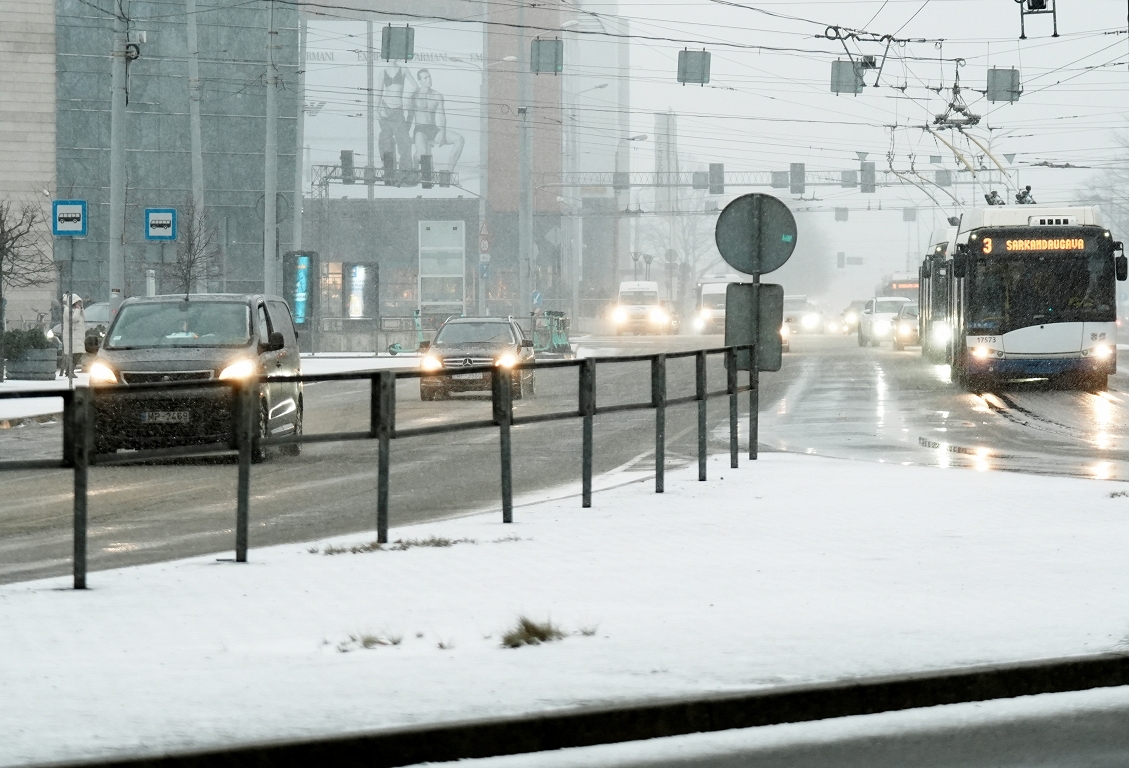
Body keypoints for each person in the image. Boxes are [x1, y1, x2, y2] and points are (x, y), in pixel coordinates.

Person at [411, 69, 465, 177]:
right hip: (420, 130)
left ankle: (448, 174)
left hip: (433, 128)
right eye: (425, 78)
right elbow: (408, 114)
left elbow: (442, 116)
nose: (429, 79)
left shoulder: (437, 95)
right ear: (420, 81)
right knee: (422, 154)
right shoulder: (414, 95)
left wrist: (443, 133)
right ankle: (416, 157)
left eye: (429, 76)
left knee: (459, 139)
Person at [376, 62, 417, 178]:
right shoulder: (383, 72)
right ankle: (389, 173)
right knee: (385, 141)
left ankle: (405, 172)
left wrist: (407, 96)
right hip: (385, 109)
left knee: (404, 141)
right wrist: (376, 109)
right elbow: (379, 91)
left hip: (398, 110)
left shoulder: (403, 69)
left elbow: (415, 85)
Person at [61, 293, 86, 375]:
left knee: (78, 353)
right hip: (71, 336)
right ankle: (70, 371)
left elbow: (83, 318)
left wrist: (80, 310)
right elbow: (74, 319)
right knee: (75, 354)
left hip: (77, 336)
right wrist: (78, 310)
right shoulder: (67, 310)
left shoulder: (77, 310)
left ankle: (69, 370)